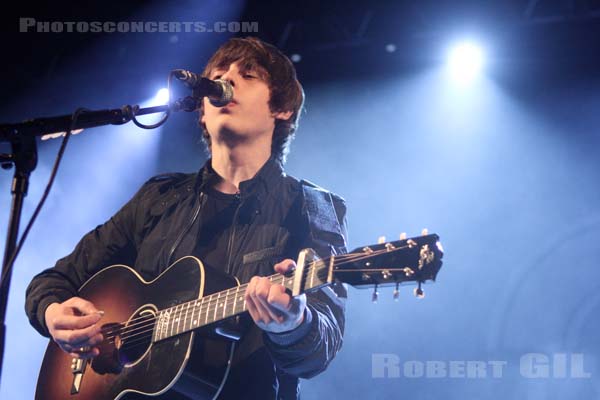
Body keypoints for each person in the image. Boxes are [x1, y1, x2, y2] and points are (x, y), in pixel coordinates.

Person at [25, 37, 348, 399]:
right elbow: (55, 279)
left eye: (249, 75)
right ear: (202, 111)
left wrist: (293, 324)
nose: (227, 79)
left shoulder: (309, 206)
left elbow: (320, 349)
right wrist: (54, 312)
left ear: (283, 108)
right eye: (219, 73)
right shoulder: (159, 198)